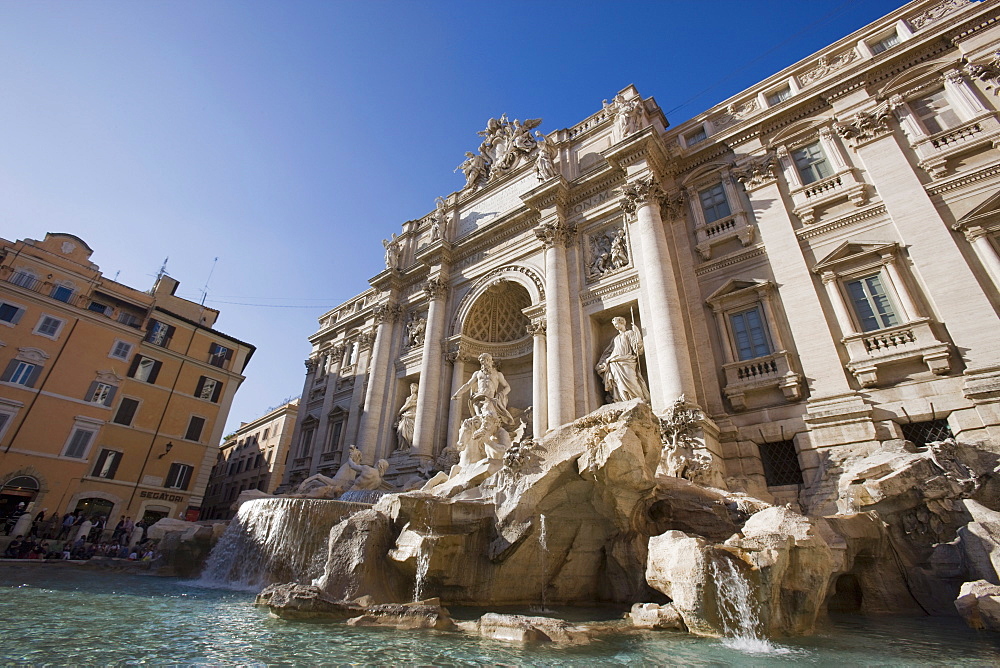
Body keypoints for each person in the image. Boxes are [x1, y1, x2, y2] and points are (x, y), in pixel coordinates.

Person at [596, 316, 650, 403]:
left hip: (627, 361)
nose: (615, 326)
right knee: (619, 384)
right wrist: (604, 362)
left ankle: (639, 402)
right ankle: (623, 402)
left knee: (633, 383)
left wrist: (637, 333)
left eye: (616, 324)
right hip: (614, 363)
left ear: (622, 323)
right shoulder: (615, 339)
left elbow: (637, 349)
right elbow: (608, 352)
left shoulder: (630, 333)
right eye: (614, 325)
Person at [394, 383, 418, 452]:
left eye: (414, 388)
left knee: (407, 432)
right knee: (401, 431)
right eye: (411, 387)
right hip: (406, 416)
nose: (412, 389)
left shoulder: (414, 396)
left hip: (410, 415)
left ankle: (408, 446)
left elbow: (407, 405)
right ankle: (402, 448)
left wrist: (399, 412)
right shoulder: (408, 398)